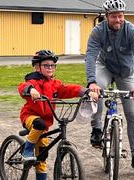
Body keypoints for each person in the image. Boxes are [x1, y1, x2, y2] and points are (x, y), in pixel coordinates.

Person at [85, 0, 134, 177]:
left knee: (132, 115)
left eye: (121, 16)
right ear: (106, 17)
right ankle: (97, 129)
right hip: (104, 67)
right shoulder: (98, 31)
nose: (118, 19)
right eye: (114, 16)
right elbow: (90, 56)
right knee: (96, 92)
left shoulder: (132, 31)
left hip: (126, 73)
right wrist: (91, 81)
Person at [18, 50, 98, 180]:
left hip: (46, 124)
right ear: (37, 67)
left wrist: (87, 92)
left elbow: (69, 89)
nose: (50, 68)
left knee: (42, 157)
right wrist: (31, 90)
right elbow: (23, 87)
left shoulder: (55, 84)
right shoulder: (33, 81)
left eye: (52, 65)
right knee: (39, 123)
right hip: (30, 117)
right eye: (46, 65)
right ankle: (27, 148)